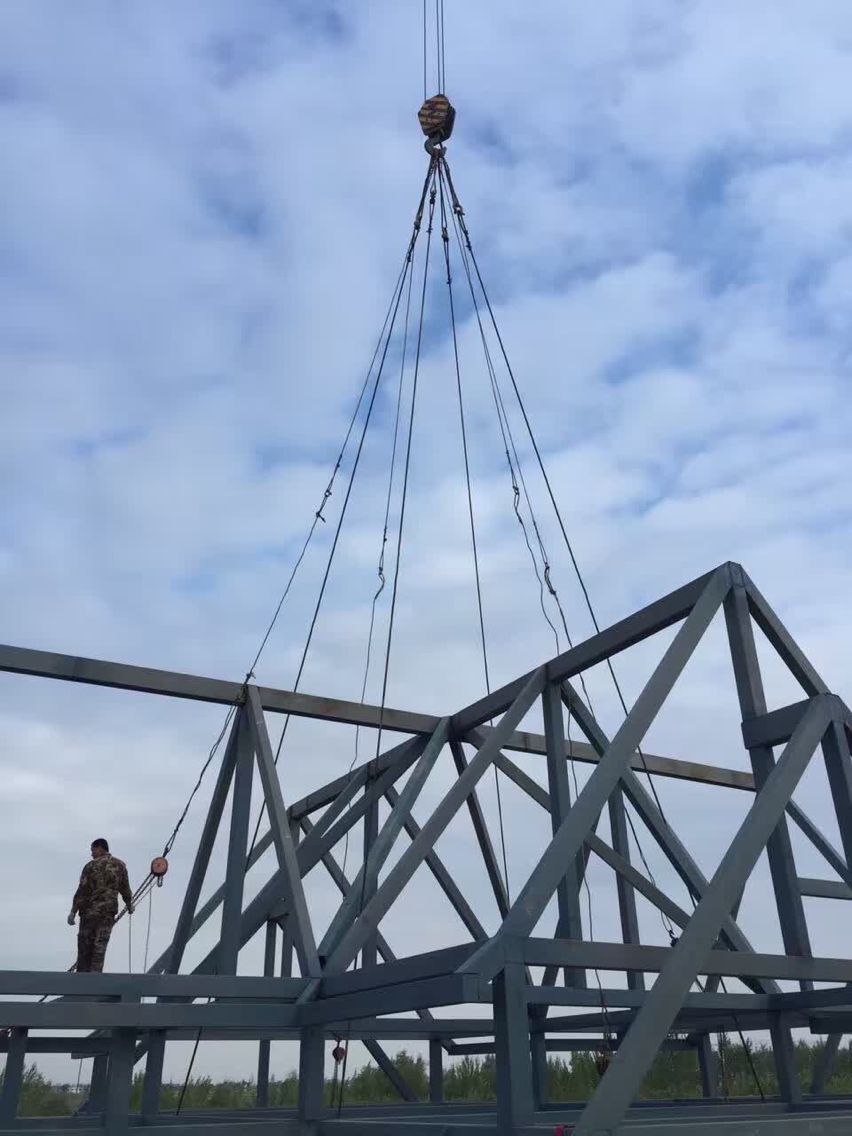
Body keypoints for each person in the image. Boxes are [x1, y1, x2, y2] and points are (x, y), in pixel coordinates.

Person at [67, 838, 134, 973]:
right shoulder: (120, 866)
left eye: (93, 850)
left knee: (85, 948)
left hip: (89, 914)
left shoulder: (90, 866)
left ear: (100, 848)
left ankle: (82, 978)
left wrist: (73, 912)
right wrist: (129, 904)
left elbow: (82, 891)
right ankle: (96, 977)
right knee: (100, 946)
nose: (91, 854)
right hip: (107, 913)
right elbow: (125, 888)